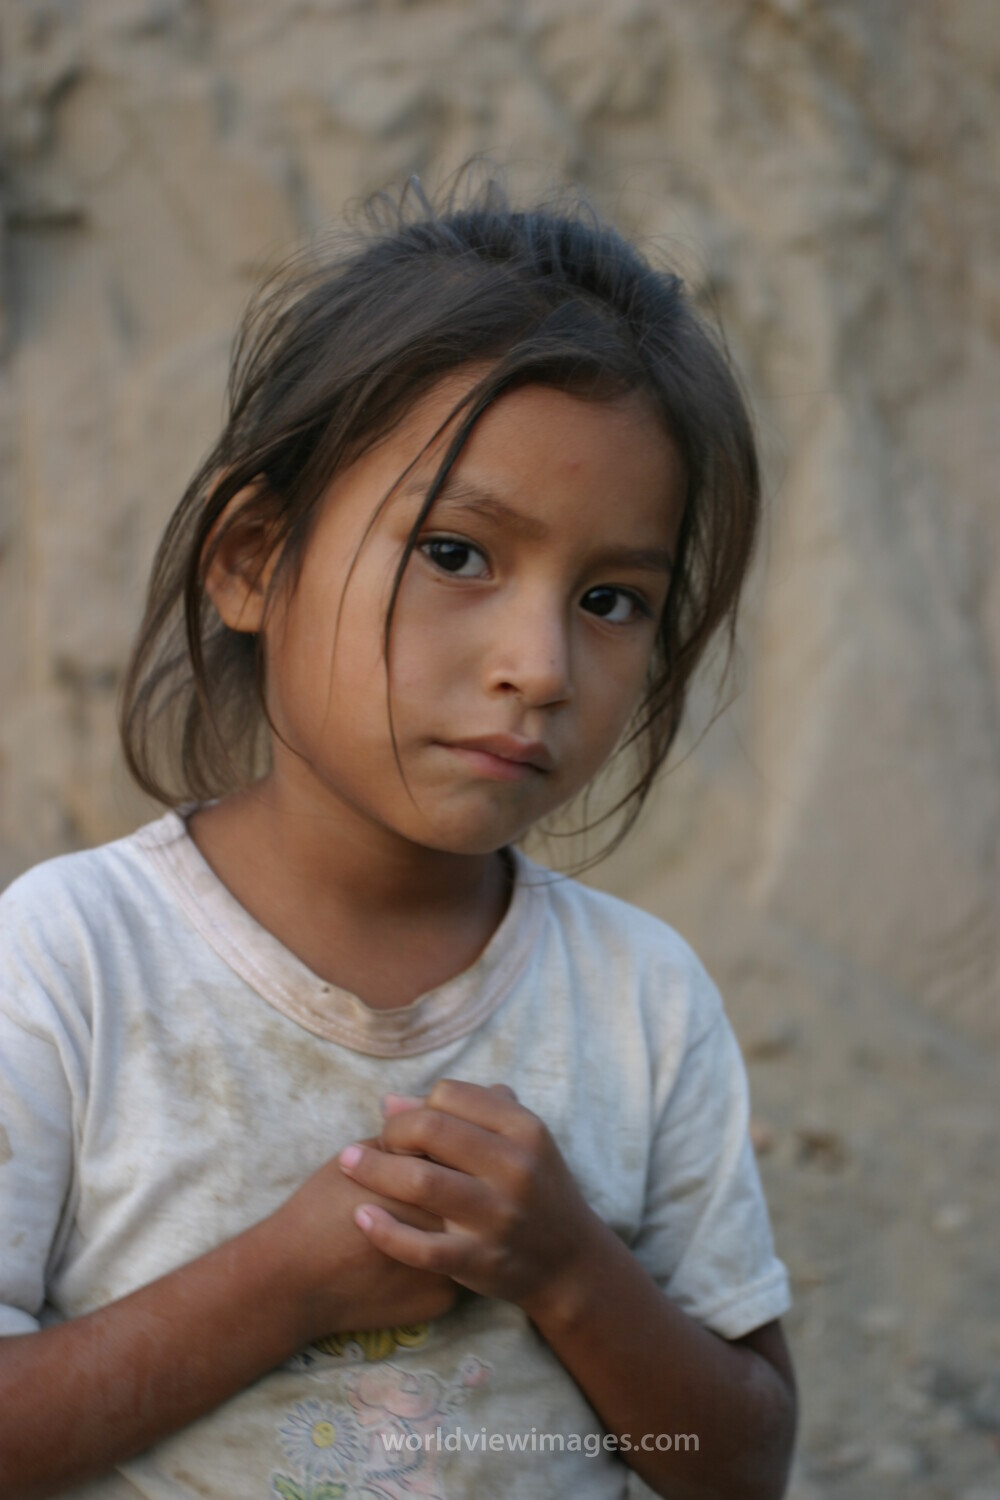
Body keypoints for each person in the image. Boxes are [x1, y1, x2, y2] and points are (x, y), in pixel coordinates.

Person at [0, 174, 796, 1500]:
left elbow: (740, 1464)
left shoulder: (641, 1001)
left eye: (609, 598)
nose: (539, 664)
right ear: (255, 559)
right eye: (457, 554)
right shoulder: (71, 963)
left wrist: (571, 1271)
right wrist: (288, 1283)